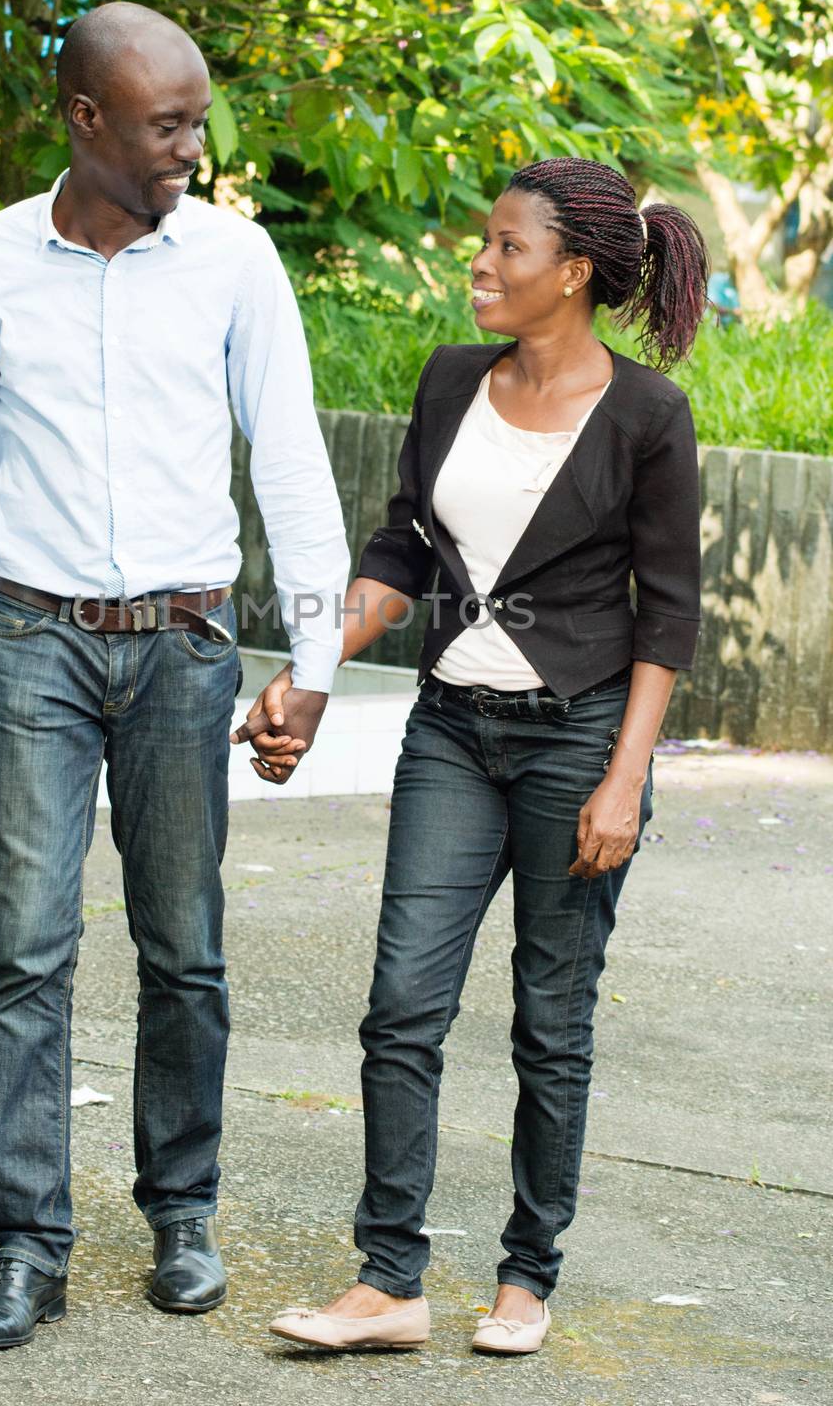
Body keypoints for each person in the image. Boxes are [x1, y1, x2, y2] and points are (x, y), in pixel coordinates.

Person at [0, 3, 349, 1350]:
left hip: (187, 649)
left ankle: (184, 1215)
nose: (191, 148)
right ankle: (28, 1246)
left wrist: (311, 663)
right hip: (33, 646)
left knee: (184, 951)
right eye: (167, 124)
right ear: (86, 121)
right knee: (24, 953)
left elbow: (293, 468)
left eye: (197, 119)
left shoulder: (235, 264)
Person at [235, 158, 707, 1356]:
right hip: (450, 729)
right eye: (483, 245)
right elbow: (399, 550)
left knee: (550, 1019)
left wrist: (623, 778)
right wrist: (312, 668)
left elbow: (666, 614)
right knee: (400, 1009)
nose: (480, 266)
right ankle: (389, 1280)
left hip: (579, 739)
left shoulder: (646, 414)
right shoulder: (451, 380)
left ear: (574, 273)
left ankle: (524, 1277)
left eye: (506, 249)